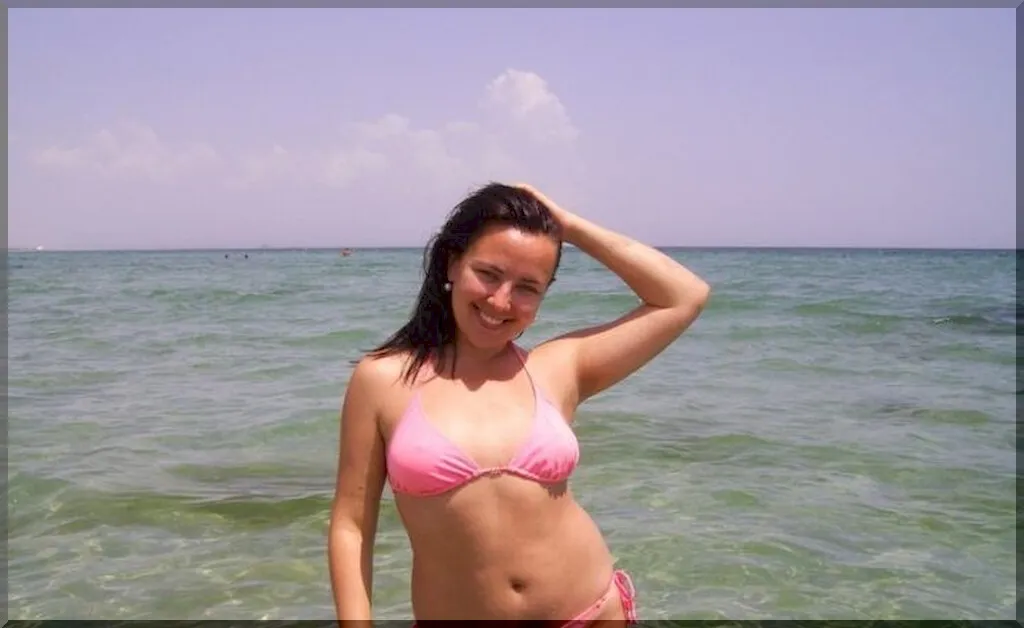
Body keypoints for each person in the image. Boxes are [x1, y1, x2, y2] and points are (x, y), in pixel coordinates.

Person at [328, 182, 711, 624]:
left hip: (591, 614)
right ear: (452, 263)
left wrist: (567, 226)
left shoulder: (557, 369)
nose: (501, 301)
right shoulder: (384, 380)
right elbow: (352, 526)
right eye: (488, 274)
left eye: (528, 287)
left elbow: (684, 296)